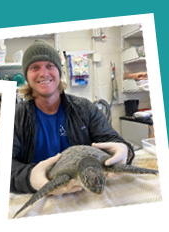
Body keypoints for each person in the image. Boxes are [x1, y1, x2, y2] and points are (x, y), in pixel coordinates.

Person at [11, 40, 134, 194]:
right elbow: (5, 166)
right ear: (27, 76)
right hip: (39, 195)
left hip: (85, 193)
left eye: (50, 66)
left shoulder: (84, 109)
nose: (43, 73)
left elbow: (112, 140)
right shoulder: (16, 117)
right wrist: (30, 178)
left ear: (59, 71)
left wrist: (125, 150)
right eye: (35, 67)